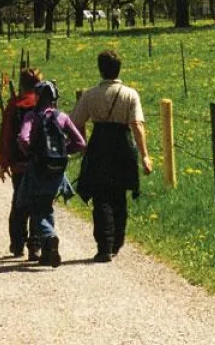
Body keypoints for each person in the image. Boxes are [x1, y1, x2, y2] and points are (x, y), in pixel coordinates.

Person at [69, 50, 153, 263]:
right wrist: (145, 155)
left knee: (101, 197)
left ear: (100, 69)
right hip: (123, 146)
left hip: (100, 145)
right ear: (119, 69)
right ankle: (117, 241)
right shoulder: (130, 94)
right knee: (119, 195)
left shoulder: (89, 95)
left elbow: (75, 122)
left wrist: (83, 145)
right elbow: (137, 125)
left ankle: (104, 246)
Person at [16, 79, 85, 267]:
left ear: (37, 97)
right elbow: (80, 143)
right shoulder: (61, 117)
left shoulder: (32, 116)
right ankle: (48, 252)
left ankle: (50, 236)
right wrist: (62, 152)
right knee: (47, 206)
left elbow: (23, 138)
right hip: (57, 172)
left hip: (37, 168)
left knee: (36, 208)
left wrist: (31, 151)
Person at [0, 67, 41, 259]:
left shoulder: (14, 105)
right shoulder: (45, 104)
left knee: (19, 202)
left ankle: (17, 243)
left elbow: (6, 135)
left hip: (19, 163)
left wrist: (3, 163)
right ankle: (35, 245)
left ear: (21, 84)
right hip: (40, 162)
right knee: (39, 203)